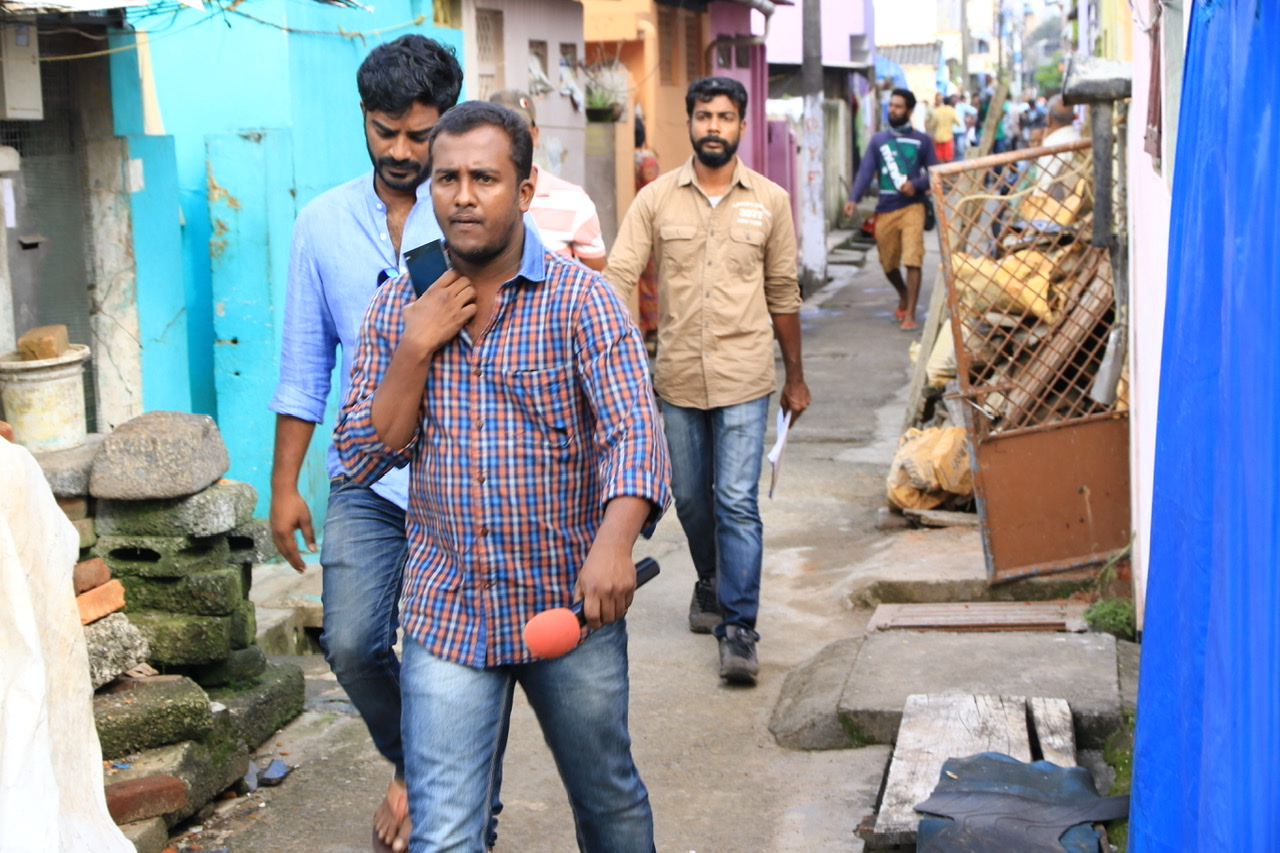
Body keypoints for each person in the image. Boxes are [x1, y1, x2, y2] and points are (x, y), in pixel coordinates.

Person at [335, 100, 670, 852]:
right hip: (448, 611)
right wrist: (415, 347)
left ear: (523, 191)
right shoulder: (399, 307)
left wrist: (616, 541)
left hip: (568, 608)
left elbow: (634, 436)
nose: (461, 195)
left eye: (483, 177)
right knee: (446, 828)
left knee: (608, 801)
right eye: (446, 178)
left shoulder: (583, 304)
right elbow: (362, 453)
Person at [267, 35, 465, 853]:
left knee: (442, 660)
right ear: (364, 118)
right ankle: (420, 767)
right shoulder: (322, 223)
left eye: (421, 135)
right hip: (364, 476)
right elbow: (305, 363)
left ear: (447, 124)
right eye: (386, 130)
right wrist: (283, 486)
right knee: (350, 641)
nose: (402, 151)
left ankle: (447, 802)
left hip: (459, 473)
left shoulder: (469, 214)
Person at [605, 76, 811, 686]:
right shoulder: (656, 199)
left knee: (737, 502)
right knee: (691, 499)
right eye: (703, 116)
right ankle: (712, 580)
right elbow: (619, 273)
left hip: (747, 376)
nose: (713, 126)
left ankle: (739, 628)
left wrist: (795, 377)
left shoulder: (770, 201)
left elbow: (784, 293)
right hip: (675, 381)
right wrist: (609, 354)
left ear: (742, 124)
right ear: (690, 123)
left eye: (724, 116)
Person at [843, 87, 939, 332]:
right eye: (892, 105)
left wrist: (915, 185)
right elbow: (865, 172)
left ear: (909, 110)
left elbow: (935, 175)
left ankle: (910, 313)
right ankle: (903, 293)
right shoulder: (878, 140)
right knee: (887, 262)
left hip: (913, 207)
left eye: (898, 106)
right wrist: (853, 198)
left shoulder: (922, 141)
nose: (893, 110)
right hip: (885, 208)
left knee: (913, 257)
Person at [488, 89, 607, 272]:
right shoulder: (471, 200)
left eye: (518, 131)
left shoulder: (574, 202)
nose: (508, 141)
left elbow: (596, 277)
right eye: (497, 131)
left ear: (535, 135)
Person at [632, 115, 661, 341]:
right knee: (650, 278)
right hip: (647, 225)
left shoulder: (630, 160)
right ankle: (651, 327)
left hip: (630, 223)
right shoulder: (646, 159)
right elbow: (653, 193)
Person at [931, 93, 957, 163]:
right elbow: (958, 122)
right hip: (948, 137)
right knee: (948, 157)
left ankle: (940, 172)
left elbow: (933, 124)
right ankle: (948, 173)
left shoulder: (938, 111)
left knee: (939, 157)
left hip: (938, 137)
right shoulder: (951, 110)